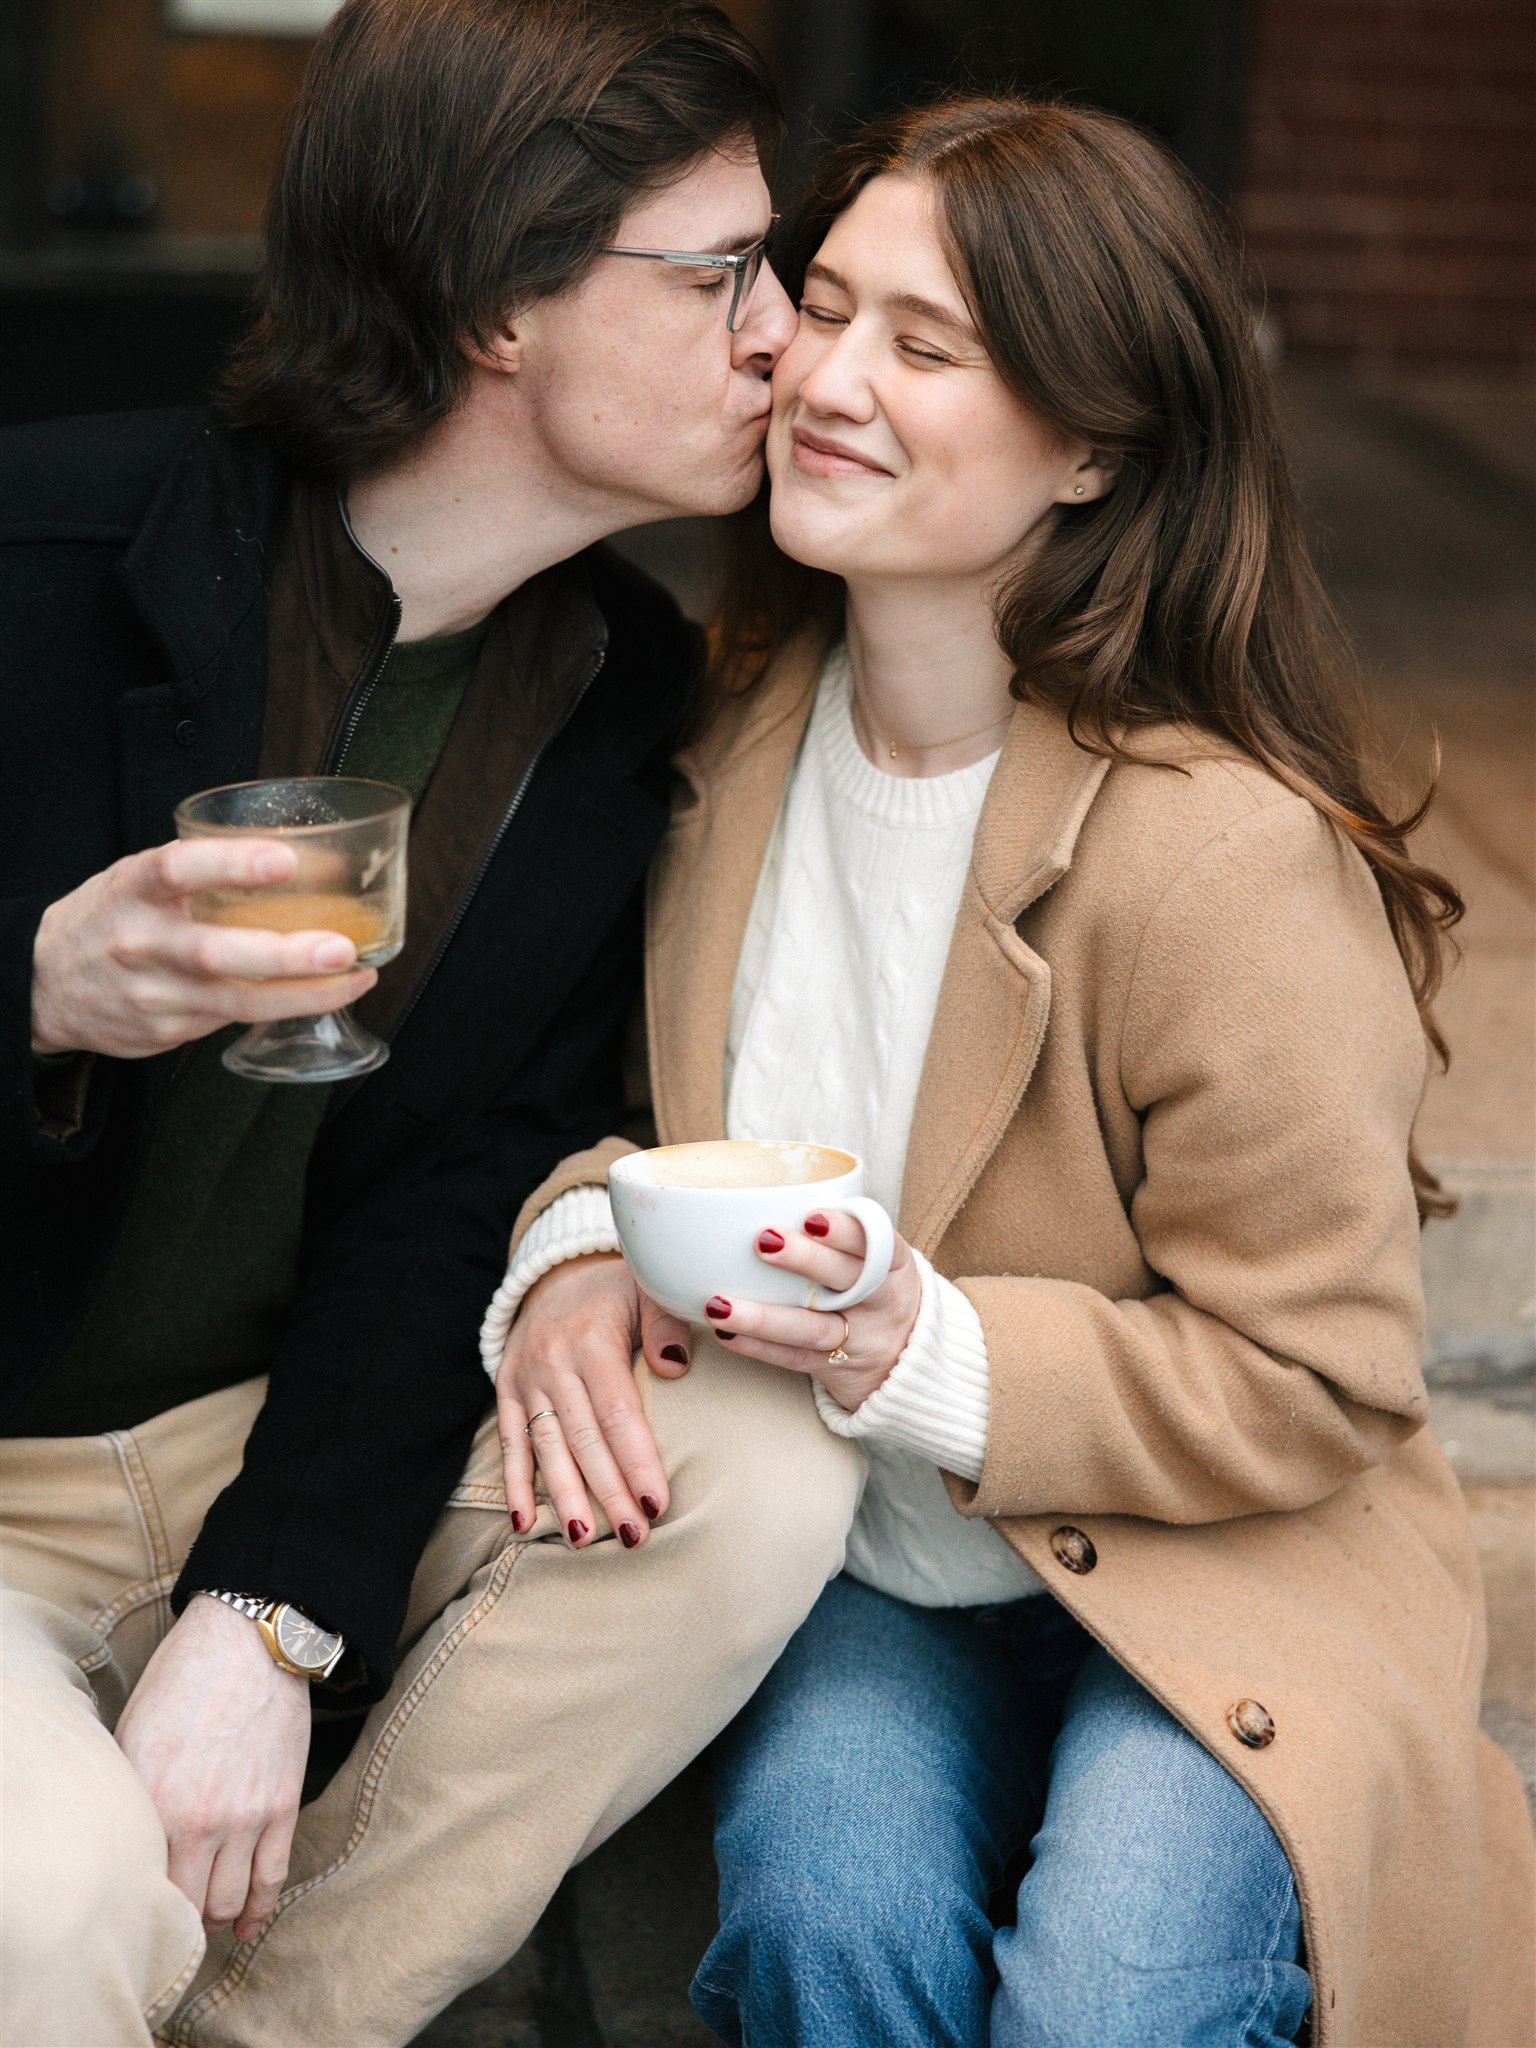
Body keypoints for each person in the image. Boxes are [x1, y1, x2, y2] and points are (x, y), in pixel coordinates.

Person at [485, 96, 1536, 2048]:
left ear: (1094, 449)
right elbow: (606, 1112)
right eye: (826, 307)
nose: (828, 380)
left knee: (1106, 2004)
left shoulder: (1217, 853)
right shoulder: (713, 748)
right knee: (825, 1922)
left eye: (930, 346)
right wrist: (570, 1248)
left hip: (1225, 1557)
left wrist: (930, 1349)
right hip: (879, 1565)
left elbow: (1324, 1371)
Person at [0, 6, 868, 2044]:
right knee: (47, 1909)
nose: (787, 340)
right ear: (495, 300)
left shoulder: (621, 691)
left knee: (758, 1451)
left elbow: (455, 1187)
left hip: (255, 1436)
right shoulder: (42, 558)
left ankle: (266, 2015)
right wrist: (33, 992)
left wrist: (272, 1604)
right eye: (724, 275)